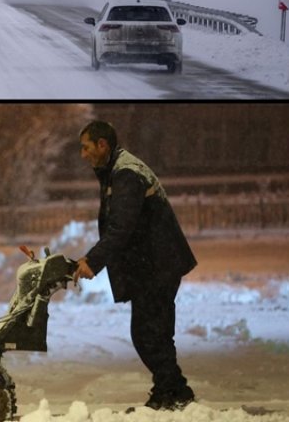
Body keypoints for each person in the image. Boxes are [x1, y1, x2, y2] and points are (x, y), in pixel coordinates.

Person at [72, 120, 198, 411]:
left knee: (148, 333)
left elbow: (122, 227)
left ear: (102, 145)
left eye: (86, 147)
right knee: (153, 332)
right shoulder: (118, 169)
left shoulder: (126, 174)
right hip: (154, 263)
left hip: (157, 264)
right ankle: (173, 391)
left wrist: (93, 261)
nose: (83, 155)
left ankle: (174, 393)